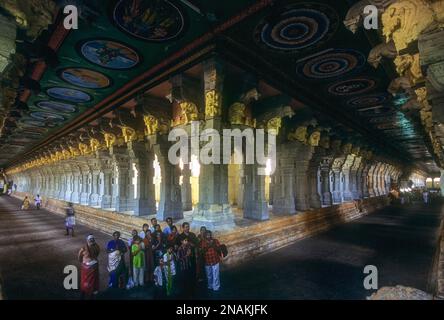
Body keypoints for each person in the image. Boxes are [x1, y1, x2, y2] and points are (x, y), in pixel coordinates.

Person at [78, 234, 100, 299]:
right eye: (90, 239)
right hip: (86, 268)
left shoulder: (96, 246)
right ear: (87, 240)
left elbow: (97, 253)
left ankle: (92, 293)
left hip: (94, 267)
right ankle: (83, 293)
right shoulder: (83, 248)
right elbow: (79, 257)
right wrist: (84, 262)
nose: (92, 240)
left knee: (93, 281)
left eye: (92, 239)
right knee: (85, 281)